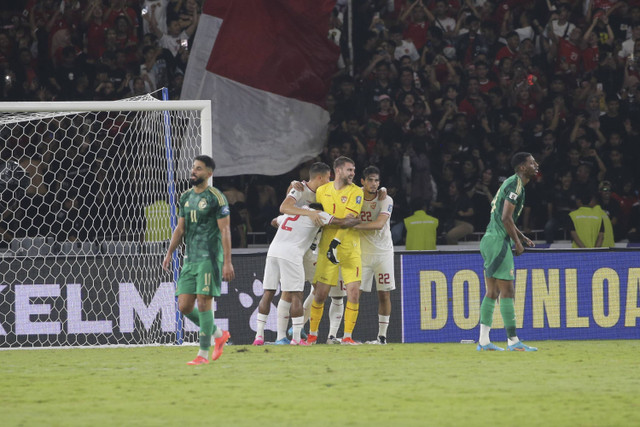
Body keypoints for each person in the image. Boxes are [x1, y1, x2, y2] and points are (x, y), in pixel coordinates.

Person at [162, 155, 234, 365]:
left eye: (199, 169)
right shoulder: (185, 197)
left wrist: (227, 261)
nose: (194, 171)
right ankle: (218, 333)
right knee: (184, 306)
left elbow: (225, 230)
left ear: (209, 174)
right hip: (190, 258)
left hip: (209, 258)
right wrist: (169, 253)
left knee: (204, 303)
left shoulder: (216, 197)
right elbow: (180, 228)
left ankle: (202, 354)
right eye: (193, 167)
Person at [255, 203, 359, 346]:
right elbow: (342, 222)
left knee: (271, 292)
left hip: (273, 251)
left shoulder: (292, 213)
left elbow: (273, 221)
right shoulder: (318, 214)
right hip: (300, 254)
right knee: (301, 293)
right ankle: (296, 336)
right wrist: (356, 219)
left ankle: (263, 336)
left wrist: (291, 231)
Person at [252, 162, 333, 345]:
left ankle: (293, 328)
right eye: (328, 177)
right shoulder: (299, 188)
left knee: (319, 289)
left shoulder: (327, 192)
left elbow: (277, 220)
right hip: (297, 249)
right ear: (320, 177)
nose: (330, 181)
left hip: (305, 248)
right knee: (290, 293)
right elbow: (283, 208)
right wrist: (309, 214)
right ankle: (284, 337)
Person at [477, 152, 538, 352]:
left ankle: (484, 341)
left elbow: (504, 218)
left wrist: (521, 236)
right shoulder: (515, 185)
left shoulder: (513, 183)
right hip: (498, 242)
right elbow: (505, 218)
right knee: (507, 291)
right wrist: (517, 244)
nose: (535, 165)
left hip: (489, 239)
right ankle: (513, 341)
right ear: (522, 167)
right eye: (531, 162)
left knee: (492, 292)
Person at [308, 156, 364, 345]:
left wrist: (335, 241)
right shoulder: (322, 190)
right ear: (338, 171)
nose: (353, 174)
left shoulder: (356, 192)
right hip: (326, 248)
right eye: (350, 170)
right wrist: (295, 184)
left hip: (350, 249)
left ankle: (347, 336)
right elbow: (307, 202)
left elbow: (349, 220)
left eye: (354, 170)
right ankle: (312, 335)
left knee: (354, 293)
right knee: (320, 294)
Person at [354, 166, 395, 345]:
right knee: (354, 294)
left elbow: (379, 224)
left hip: (383, 253)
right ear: (362, 181)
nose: (374, 184)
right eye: (370, 180)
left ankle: (382, 337)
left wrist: (353, 226)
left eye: (377, 181)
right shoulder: (354, 197)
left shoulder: (385, 200)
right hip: (361, 254)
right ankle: (347, 335)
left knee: (384, 295)